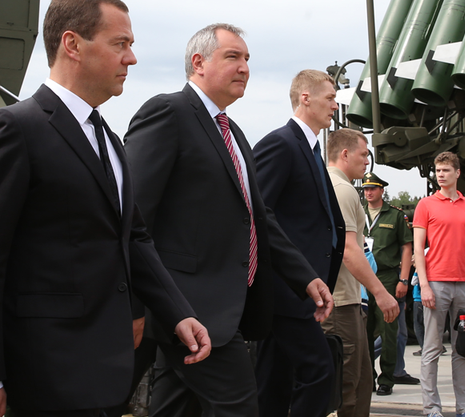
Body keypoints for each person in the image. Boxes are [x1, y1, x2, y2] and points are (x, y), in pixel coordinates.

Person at [0, 0, 211, 417]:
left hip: (103, 375)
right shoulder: (15, 129)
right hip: (39, 375)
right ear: (72, 44)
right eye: (120, 44)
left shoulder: (108, 139)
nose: (131, 59)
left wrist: (178, 312)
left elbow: (134, 238)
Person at [123, 24, 331, 417]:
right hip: (186, 306)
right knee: (239, 407)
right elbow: (133, 214)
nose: (244, 68)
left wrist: (303, 276)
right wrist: (136, 306)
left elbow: (258, 216)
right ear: (198, 63)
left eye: (247, 59)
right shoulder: (168, 112)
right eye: (233, 57)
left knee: (173, 407)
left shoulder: (232, 132)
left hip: (215, 310)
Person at [252, 70, 350, 417]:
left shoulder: (308, 150)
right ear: (305, 98)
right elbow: (257, 211)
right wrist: (300, 275)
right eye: (329, 98)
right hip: (286, 291)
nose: (335, 106)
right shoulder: (282, 144)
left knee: (273, 382)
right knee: (320, 371)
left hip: (298, 292)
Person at [323, 128, 399, 417]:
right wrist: (381, 293)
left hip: (349, 301)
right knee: (349, 388)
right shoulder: (341, 190)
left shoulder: (332, 185)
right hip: (341, 305)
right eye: (363, 154)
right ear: (344, 154)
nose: (367, 161)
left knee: (361, 381)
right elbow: (349, 250)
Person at [412, 151, 465, 417]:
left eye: (445, 170)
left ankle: (464, 410)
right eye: (437, 170)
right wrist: (425, 285)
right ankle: (432, 410)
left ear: (457, 173)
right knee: (431, 349)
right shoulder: (426, 205)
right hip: (437, 283)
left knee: (462, 349)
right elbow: (419, 249)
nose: (440, 174)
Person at [361, 171, 416, 395]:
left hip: (387, 277)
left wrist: (404, 279)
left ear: (381, 190)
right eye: (365, 189)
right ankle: (368, 377)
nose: (369, 192)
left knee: (389, 331)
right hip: (363, 278)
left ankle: (387, 379)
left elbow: (406, 248)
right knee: (362, 331)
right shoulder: (358, 212)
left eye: (373, 188)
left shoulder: (395, 216)